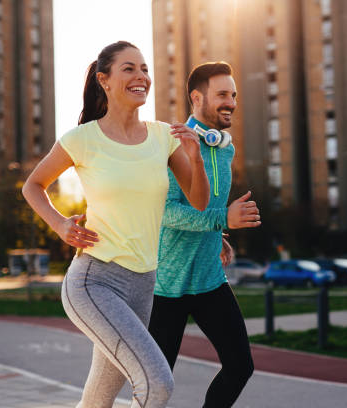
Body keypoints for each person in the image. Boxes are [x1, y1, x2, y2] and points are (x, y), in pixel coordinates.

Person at [22, 41, 210, 408]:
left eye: (144, 69)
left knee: (98, 400)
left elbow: (198, 201)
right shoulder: (82, 139)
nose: (141, 76)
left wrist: (196, 160)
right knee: (157, 384)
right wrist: (60, 225)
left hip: (143, 284)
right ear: (104, 80)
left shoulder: (162, 137)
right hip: (94, 281)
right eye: (129, 69)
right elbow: (33, 185)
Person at [148, 61, 260, 408]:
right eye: (223, 94)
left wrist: (219, 233)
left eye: (234, 95)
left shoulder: (226, 146)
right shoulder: (172, 145)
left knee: (241, 365)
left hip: (210, 278)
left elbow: (205, 205)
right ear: (197, 97)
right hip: (167, 284)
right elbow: (165, 212)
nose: (232, 102)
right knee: (157, 383)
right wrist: (221, 219)